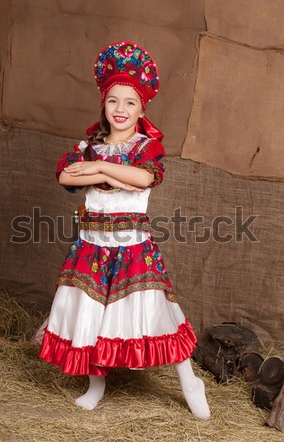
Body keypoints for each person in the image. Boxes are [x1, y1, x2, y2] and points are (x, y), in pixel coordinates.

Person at [38, 41, 210, 420]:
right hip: (91, 247)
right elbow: (65, 175)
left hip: (132, 247)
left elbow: (142, 179)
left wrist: (99, 171)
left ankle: (189, 379)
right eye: (113, 101)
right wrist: (100, 167)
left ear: (142, 108)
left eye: (129, 102)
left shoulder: (146, 147)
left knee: (155, 312)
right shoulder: (90, 145)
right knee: (88, 315)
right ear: (104, 104)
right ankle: (95, 384)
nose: (120, 109)